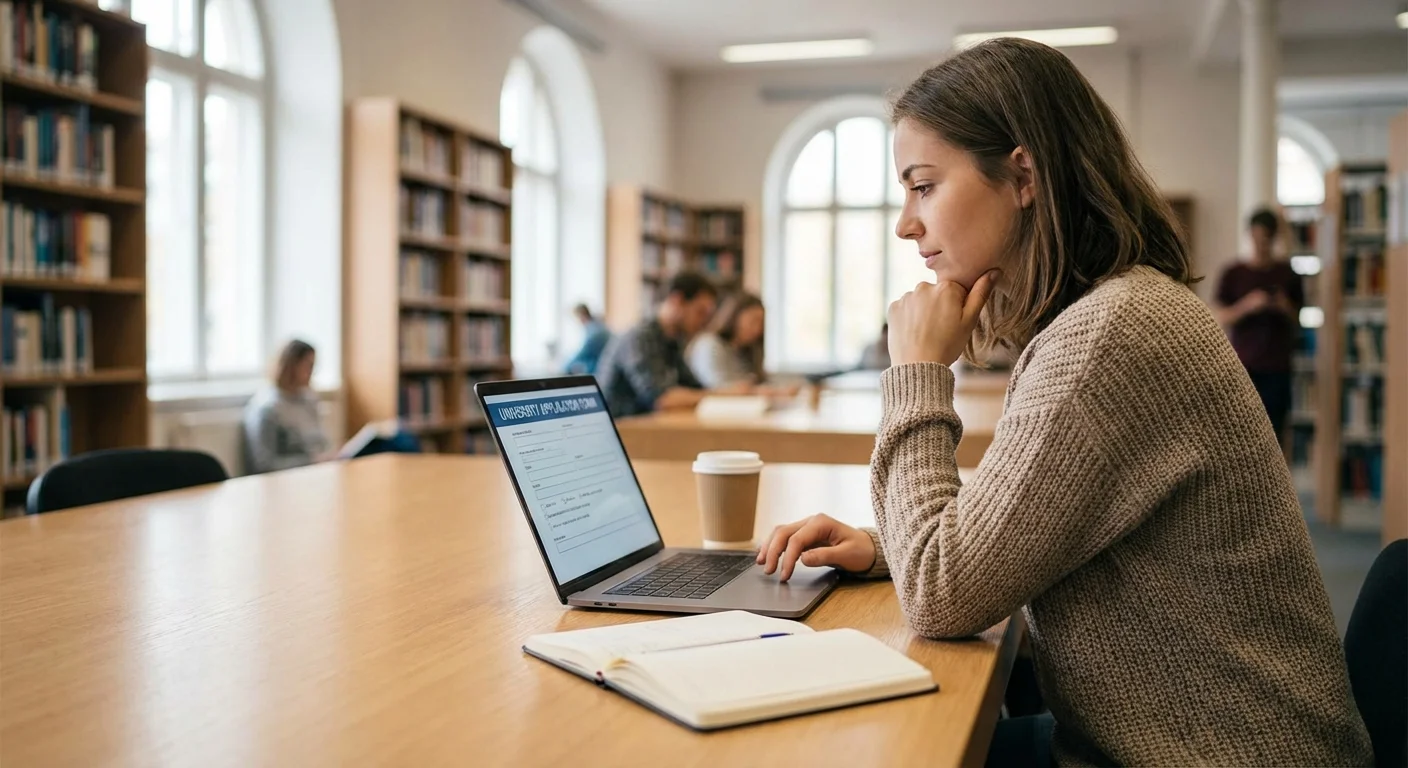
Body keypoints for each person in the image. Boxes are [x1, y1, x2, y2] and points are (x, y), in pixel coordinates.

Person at [754, 38, 1371, 767]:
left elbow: (940, 595)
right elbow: (1028, 518)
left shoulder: (1110, 336)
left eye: (922, 187)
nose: (905, 224)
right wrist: (890, 546)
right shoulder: (1109, 314)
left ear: (1023, 176)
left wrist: (917, 370)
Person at [1214, 208, 1304, 442]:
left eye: (1265, 239)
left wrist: (1283, 306)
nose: (1260, 245)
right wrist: (1247, 306)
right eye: (1256, 238)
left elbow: (1299, 320)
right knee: (1241, 433)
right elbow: (1220, 316)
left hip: (1277, 366)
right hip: (1244, 365)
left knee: (1277, 433)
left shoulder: (1288, 274)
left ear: (1274, 238)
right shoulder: (1233, 273)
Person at [595, 271, 717, 417]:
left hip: (645, 427)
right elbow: (662, 399)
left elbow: (695, 388)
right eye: (700, 312)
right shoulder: (639, 337)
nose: (703, 323)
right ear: (677, 300)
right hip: (622, 429)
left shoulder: (671, 340)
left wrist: (717, 394)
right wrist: (722, 394)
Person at [243, 339, 331, 473]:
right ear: (291, 366)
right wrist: (312, 461)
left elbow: (321, 444)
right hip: (287, 482)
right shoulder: (266, 408)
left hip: (319, 474)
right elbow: (265, 465)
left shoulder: (309, 399)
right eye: (309, 366)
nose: (312, 372)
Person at [687, 292, 766, 388]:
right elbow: (717, 387)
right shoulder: (709, 344)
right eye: (753, 320)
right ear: (735, 316)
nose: (757, 329)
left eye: (761, 323)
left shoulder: (746, 351)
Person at [564, 303, 611, 375]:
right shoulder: (598, 326)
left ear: (581, 316)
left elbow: (581, 354)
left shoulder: (594, 332)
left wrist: (563, 367)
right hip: (602, 368)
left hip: (599, 371)